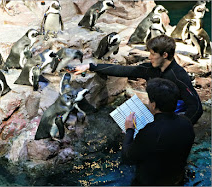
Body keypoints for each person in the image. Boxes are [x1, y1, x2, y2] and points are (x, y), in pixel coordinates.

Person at [74, 35, 203, 125]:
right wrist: (91, 66)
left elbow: (196, 107)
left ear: (165, 55)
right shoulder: (151, 69)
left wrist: (181, 128)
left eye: (153, 54)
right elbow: (123, 70)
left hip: (172, 117)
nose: (150, 57)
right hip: (156, 113)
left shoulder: (178, 76)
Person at [122, 78, 195, 186]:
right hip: (177, 180)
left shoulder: (149, 132)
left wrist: (129, 130)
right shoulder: (187, 123)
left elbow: (127, 158)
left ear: (154, 105)